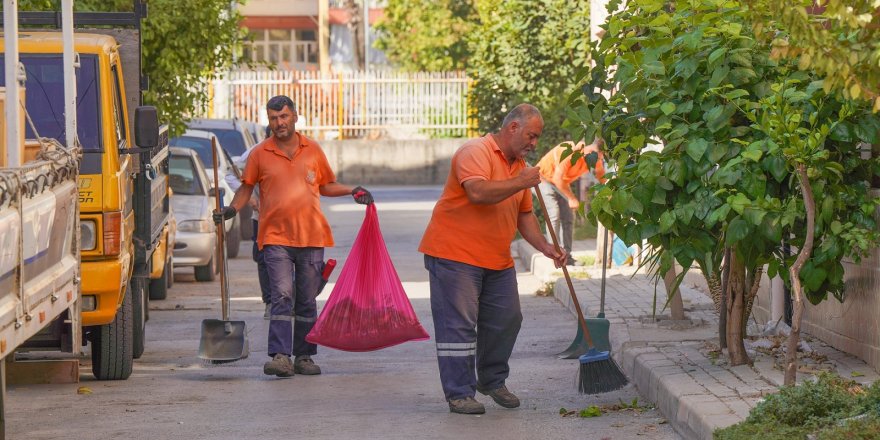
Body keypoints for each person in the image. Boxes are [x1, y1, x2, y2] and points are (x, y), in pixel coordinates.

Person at [418, 104, 566, 415]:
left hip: (496, 260)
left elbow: (524, 214)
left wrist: (546, 246)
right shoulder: (475, 151)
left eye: (537, 138)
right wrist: (522, 181)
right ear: (512, 127)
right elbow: (479, 192)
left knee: (507, 319)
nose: (534, 143)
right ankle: (459, 393)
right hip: (454, 255)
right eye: (531, 135)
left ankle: (491, 380)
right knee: (458, 326)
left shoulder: (519, 165)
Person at [213, 95, 374, 378]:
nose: (279, 123)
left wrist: (352, 191)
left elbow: (327, 185)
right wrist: (231, 209)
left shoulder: (312, 150)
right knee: (282, 295)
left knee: (307, 299)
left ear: (295, 117)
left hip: (311, 236)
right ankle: (280, 356)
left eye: (284, 117)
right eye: (274, 118)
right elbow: (246, 187)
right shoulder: (260, 153)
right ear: (269, 121)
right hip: (275, 237)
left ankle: (304, 356)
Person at [536, 138, 605, 266]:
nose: (594, 157)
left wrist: (608, 192)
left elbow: (600, 174)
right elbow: (557, 178)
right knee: (554, 213)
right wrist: (572, 198)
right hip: (542, 179)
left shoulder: (594, 157)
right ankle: (555, 255)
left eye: (598, 156)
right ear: (583, 146)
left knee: (568, 218)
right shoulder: (568, 151)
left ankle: (566, 257)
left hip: (560, 184)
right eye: (592, 152)